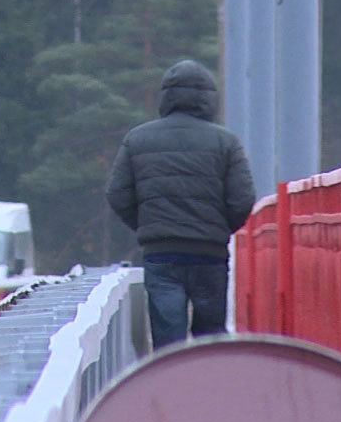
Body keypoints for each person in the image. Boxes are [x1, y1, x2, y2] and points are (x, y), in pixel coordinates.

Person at [105, 60, 255, 349]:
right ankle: (209, 389)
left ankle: (171, 391)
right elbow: (242, 199)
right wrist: (218, 229)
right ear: (209, 98)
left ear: (167, 96)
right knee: (210, 337)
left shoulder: (138, 139)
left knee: (167, 338)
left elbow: (118, 194)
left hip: (161, 254)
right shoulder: (226, 142)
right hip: (209, 254)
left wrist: (149, 225)